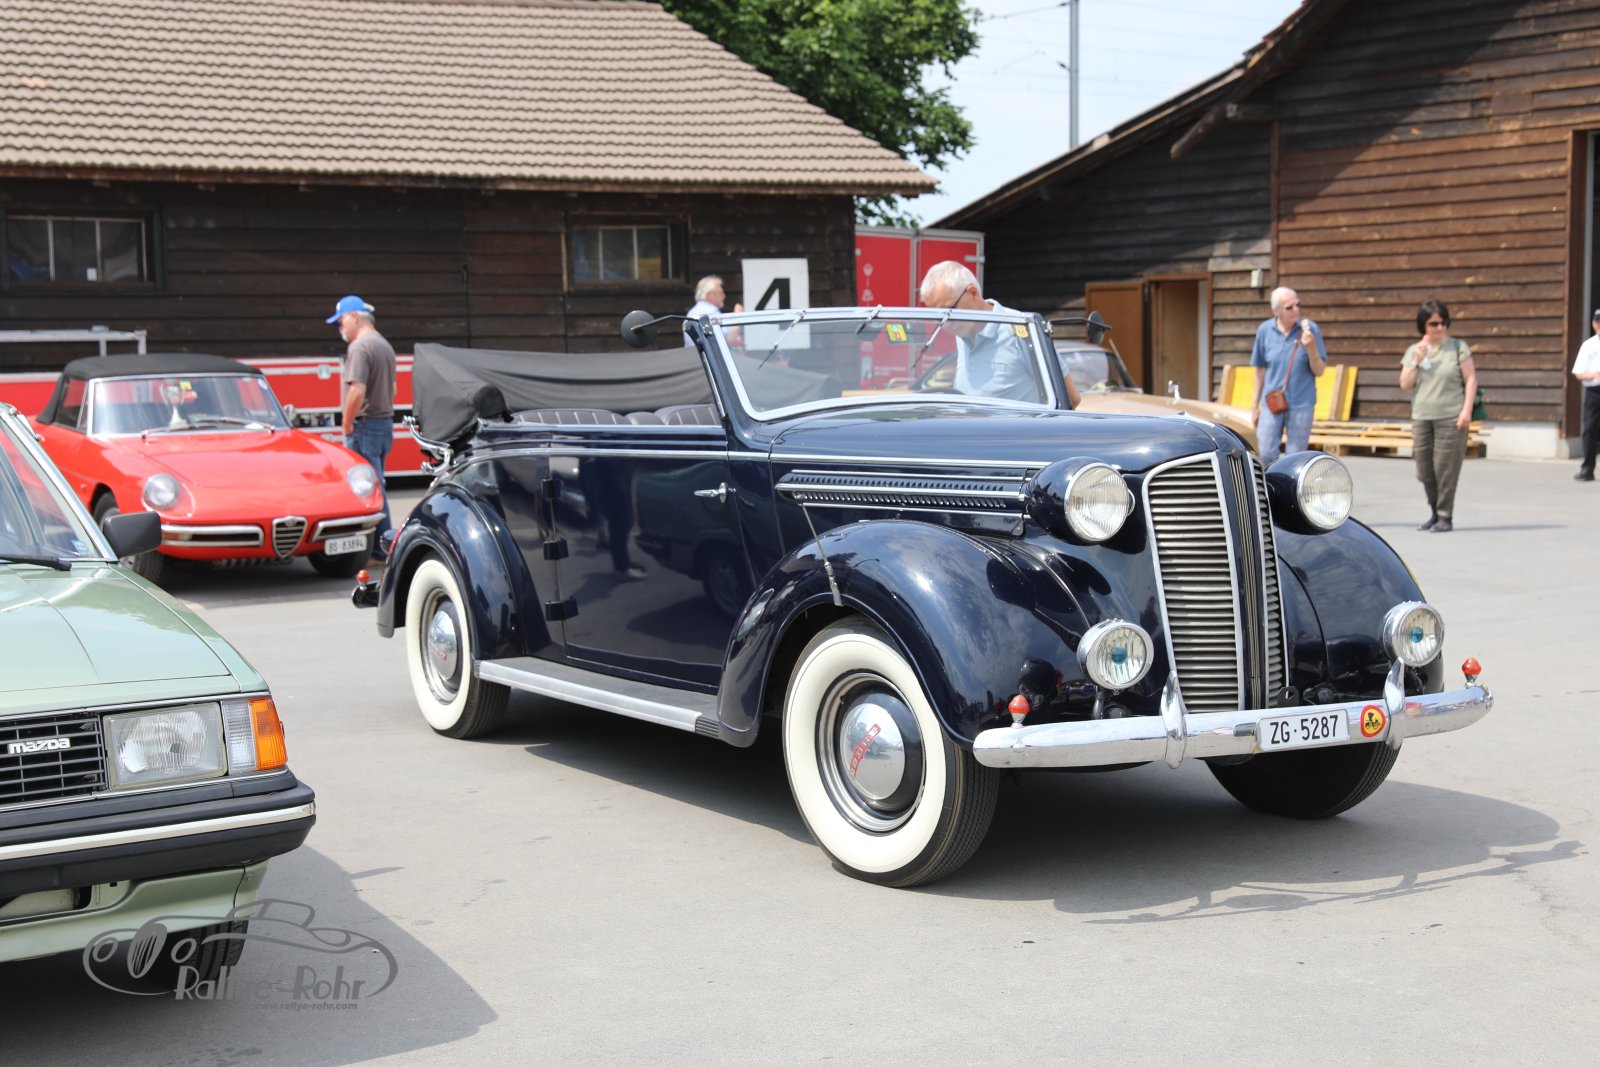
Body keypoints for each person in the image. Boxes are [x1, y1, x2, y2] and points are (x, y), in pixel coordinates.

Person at [916, 261, 1078, 406]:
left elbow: (1070, 398)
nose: (945, 324)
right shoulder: (962, 333)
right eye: (938, 317)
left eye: (949, 311)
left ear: (973, 293)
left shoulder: (1021, 330)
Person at [328, 294, 397, 562]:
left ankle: (380, 550)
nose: (340, 328)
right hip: (383, 424)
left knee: (366, 487)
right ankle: (383, 547)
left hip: (365, 426)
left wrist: (346, 424)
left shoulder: (360, 347)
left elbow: (357, 390)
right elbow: (393, 388)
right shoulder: (384, 345)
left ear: (354, 317)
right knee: (377, 484)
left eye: (341, 321)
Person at [1400, 298, 1477, 533]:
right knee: (1424, 469)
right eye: (1434, 323)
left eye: (1443, 323)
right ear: (1423, 325)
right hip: (1422, 416)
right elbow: (1405, 384)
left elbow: (1471, 379)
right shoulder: (1414, 351)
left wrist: (1466, 410)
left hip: (1450, 417)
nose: (1439, 328)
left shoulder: (1457, 348)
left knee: (1445, 469)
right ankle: (1434, 512)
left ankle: (1445, 516)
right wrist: (1416, 360)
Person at [1250, 286, 1328, 465]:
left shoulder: (1310, 330)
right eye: (1289, 307)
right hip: (1272, 402)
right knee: (1265, 453)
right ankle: (1269, 483)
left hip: (1301, 403)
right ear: (1276, 311)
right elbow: (1259, 370)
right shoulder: (1265, 330)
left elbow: (1319, 370)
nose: (1296, 310)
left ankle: (1288, 484)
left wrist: (1311, 348)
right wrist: (1254, 406)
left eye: (1298, 305)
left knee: (1295, 458)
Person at [1571, 308, 1600, 481]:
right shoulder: (1588, 345)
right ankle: (1587, 469)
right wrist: (1594, 375)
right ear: (1594, 323)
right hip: (1594, 392)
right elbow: (1578, 373)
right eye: (1598, 321)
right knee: (1589, 429)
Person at [684, 275, 741, 346]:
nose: (724, 296)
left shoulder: (692, 312)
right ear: (710, 295)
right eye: (720, 292)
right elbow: (729, 338)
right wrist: (738, 315)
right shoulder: (711, 312)